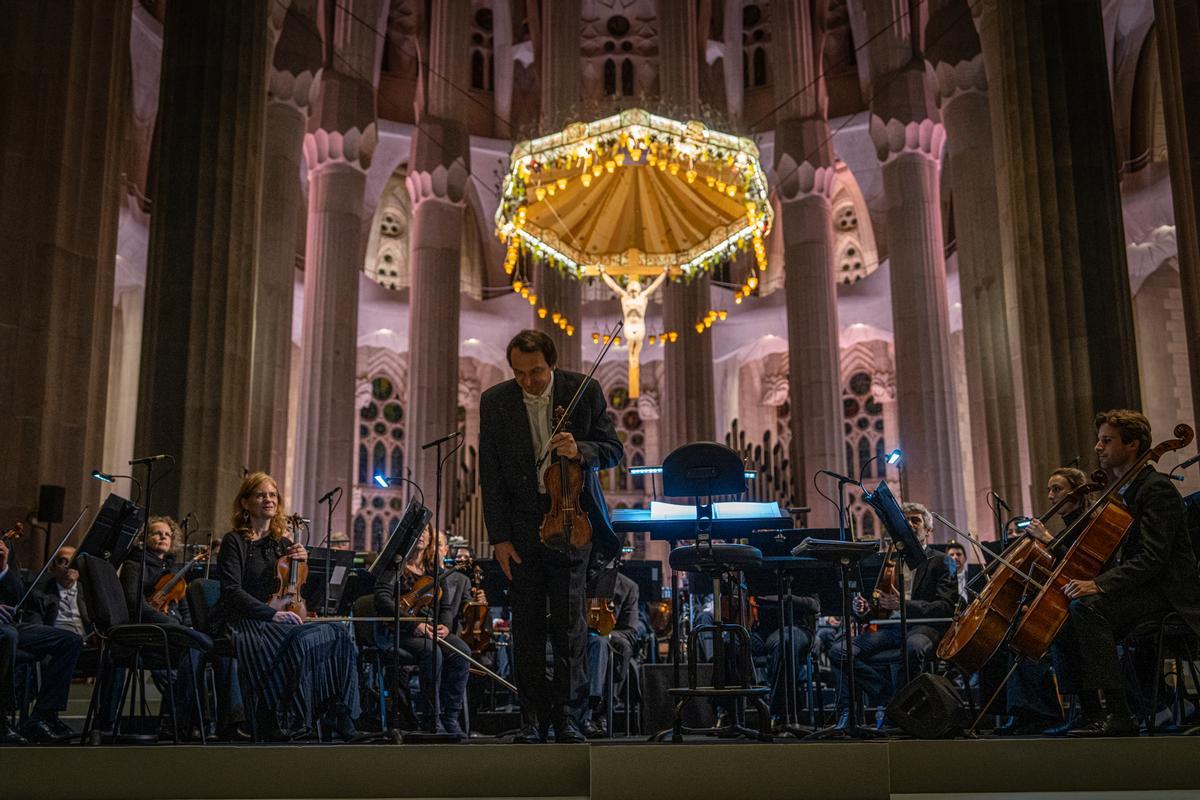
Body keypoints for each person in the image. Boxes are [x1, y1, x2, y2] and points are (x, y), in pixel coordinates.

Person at [479, 329, 624, 743]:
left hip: (571, 522)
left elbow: (613, 449)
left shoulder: (584, 389)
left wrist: (580, 450)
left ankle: (568, 718)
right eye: (519, 373)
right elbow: (490, 474)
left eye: (536, 372)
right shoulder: (496, 400)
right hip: (522, 527)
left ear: (552, 363)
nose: (528, 381)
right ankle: (532, 719)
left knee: (569, 627)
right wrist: (499, 537)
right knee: (526, 628)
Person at [1052, 410, 1200, 736]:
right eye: (1099, 440)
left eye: (1107, 440)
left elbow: (1153, 559)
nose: (1097, 447)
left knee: (1088, 608)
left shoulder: (1155, 489)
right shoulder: (1124, 491)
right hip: (1139, 588)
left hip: (1167, 593)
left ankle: (1119, 714)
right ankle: (1090, 713)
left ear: (1133, 445)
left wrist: (1099, 585)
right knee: (1062, 612)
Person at [214, 472, 360, 740]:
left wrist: (304, 561)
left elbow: (303, 590)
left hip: (280, 618)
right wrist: (272, 615)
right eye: (260, 494)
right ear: (245, 503)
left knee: (338, 633)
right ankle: (287, 717)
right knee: (299, 640)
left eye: (272, 494)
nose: (268, 499)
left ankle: (340, 716)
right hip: (248, 620)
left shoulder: (283, 543)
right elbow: (231, 591)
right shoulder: (234, 541)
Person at [829, 502, 958, 726]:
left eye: (915, 520)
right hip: (892, 629)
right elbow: (878, 603)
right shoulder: (890, 560)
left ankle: (899, 716)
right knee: (840, 650)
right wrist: (865, 608)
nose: (909, 524)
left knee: (913, 648)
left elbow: (945, 606)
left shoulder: (941, 560)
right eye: (905, 520)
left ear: (928, 529)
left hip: (925, 627)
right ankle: (892, 699)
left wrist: (903, 605)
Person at [374, 526, 473, 736]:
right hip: (401, 630)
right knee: (432, 652)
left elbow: (445, 607)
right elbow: (382, 600)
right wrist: (414, 624)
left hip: (429, 628)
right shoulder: (395, 565)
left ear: (430, 538)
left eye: (424, 531)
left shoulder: (432, 569)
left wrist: (445, 625)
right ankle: (431, 719)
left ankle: (450, 717)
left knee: (462, 652)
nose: (420, 535)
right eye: (416, 530)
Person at [0, 537, 83, 743]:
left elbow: (17, 597)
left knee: (70, 641)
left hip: (8, 624)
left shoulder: (5, 547)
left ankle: (41, 717)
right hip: (6, 631)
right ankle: (2, 719)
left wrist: (3, 567)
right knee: (8, 637)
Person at [581, 570, 643, 737]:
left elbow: (630, 630)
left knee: (615, 647)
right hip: (579, 638)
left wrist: (605, 631)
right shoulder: (579, 579)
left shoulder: (628, 586)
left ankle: (601, 711)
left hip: (611, 639)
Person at [598, 265, 668, 397]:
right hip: (629, 326)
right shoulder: (625, 297)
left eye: (636, 289)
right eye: (632, 289)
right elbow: (614, 287)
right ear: (629, 289)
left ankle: (634, 360)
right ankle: (633, 360)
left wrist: (664, 273)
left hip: (640, 326)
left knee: (637, 348)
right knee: (632, 350)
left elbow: (654, 286)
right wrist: (603, 274)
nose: (634, 291)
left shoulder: (643, 297)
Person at [944, 541, 969, 607]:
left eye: (958, 554)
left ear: (965, 558)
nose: (955, 557)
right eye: (951, 555)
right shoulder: (943, 580)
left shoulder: (974, 577)